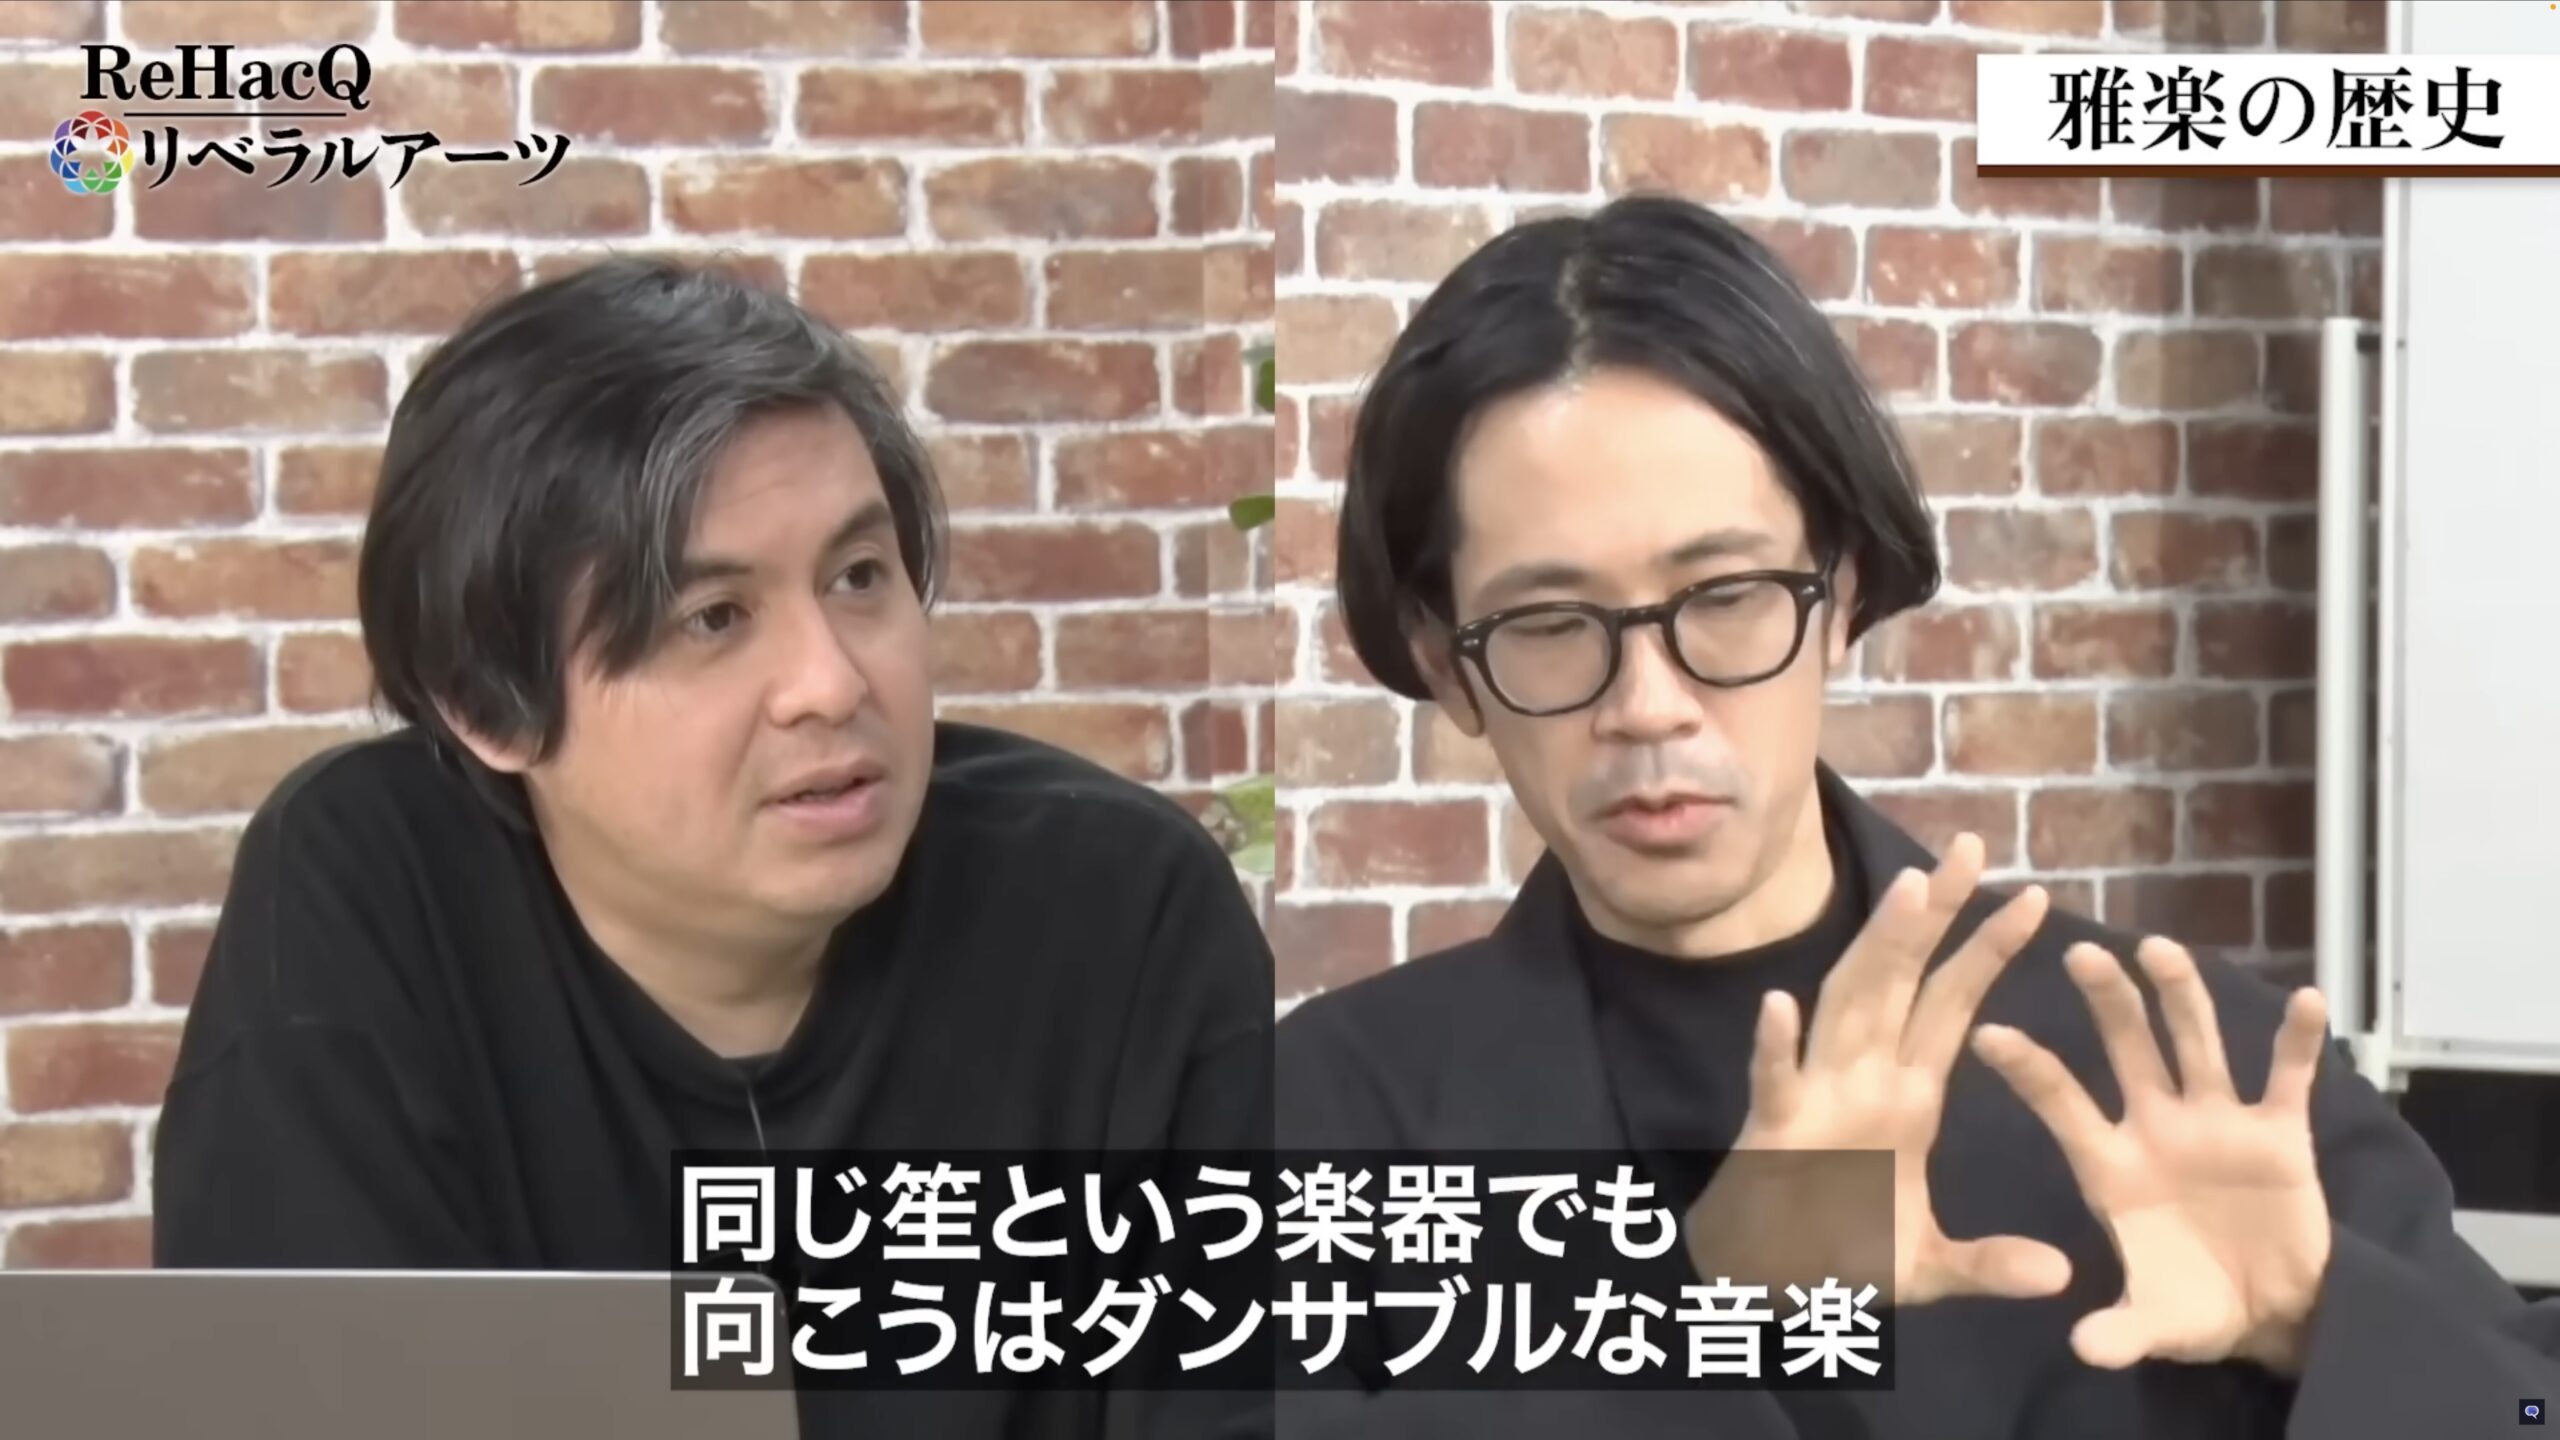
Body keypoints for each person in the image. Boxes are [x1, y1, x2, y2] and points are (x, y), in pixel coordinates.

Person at [1274, 193, 2560, 1438]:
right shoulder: (1318, 1117)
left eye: (1726, 597)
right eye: (1550, 625)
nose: (1647, 707)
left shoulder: (2190, 1068)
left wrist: (2325, 1323)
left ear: (1840, 597)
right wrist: (1702, 1308)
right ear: (1448, 667)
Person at [151, 258, 1275, 1440]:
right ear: (486, 705)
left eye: (858, 577)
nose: (831, 683)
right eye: (715, 618)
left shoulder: (1119, 911)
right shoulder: (374, 897)